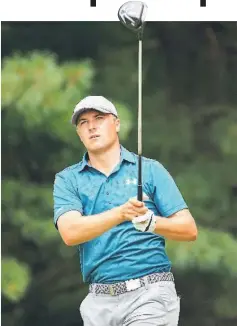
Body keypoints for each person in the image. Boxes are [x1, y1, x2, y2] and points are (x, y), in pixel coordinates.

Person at [53, 95, 198, 326]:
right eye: (83, 122)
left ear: (116, 124)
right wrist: (121, 214)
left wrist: (152, 223)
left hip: (150, 293)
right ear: (79, 133)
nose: (91, 126)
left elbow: (189, 229)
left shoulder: (149, 170)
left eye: (99, 118)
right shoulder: (68, 179)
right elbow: (70, 233)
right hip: (98, 302)